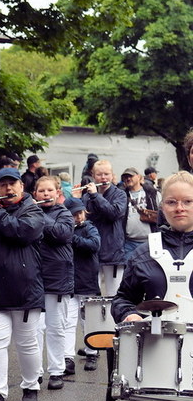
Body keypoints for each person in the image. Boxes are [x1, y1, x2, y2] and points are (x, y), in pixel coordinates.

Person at [111, 171, 193, 401]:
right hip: (159, 359)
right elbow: (122, 299)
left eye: (187, 201)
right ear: (161, 206)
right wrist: (128, 314)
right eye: (172, 202)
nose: (180, 208)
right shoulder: (145, 250)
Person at [0, 167, 45, 401]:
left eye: (12, 184)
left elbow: (21, 232)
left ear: (21, 187)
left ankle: (31, 386)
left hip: (25, 291)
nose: (7, 188)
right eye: (3, 185)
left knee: (27, 344)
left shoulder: (33, 211)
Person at [33, 176, 74, 390]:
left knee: (56, 327)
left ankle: (57, 371)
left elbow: (60, 233)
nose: (46, 194)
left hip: (58, 278)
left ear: (58, 193)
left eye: (50, 190)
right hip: (34, 278)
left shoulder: (64, 213)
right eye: (42, 191)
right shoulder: (30, 212)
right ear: (35, 194)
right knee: (34, 329)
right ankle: (35, 372)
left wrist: (37, 213)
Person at [78, 159, 127, 296]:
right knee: (92, 294)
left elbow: (114, 213)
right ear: (93, 176)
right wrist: (76, 200)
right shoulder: (86, 196)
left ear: (112, 175)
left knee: (114, 293)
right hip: (92, 249)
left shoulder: (120, 194)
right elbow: (82, 219)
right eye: (99, 175)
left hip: (113, 250)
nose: (103, 178)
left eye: (106, 174)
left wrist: (95, 196)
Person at [64, 197, 101, 373]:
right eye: (74, 214)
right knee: (69, 321)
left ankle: (92, 352)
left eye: (80, 213)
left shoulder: (89, 228)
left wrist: (73, 238)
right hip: (70, 282)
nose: (78, 217)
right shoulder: (64, 230)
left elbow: (94, 245)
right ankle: (67, 357)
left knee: (88, 320)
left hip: (87, 281)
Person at [120, 166, 160, 261]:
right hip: (129, 243)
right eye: (125, 177)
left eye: (131, 176)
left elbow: (163, 212)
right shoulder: (122, 195)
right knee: (129, 269)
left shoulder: (152, 193)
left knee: (150, 269)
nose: (128, 179)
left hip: (150, 241)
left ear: (138, 177)